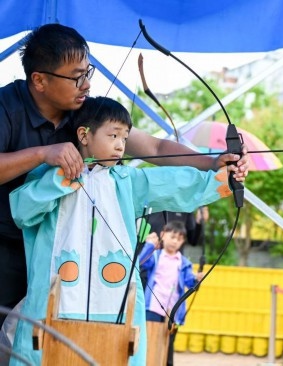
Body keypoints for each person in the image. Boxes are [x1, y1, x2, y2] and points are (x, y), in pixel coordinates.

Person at [0, 23, 248, 329]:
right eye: (76, 77)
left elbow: (155, 147)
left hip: (63, 256)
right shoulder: (5, 107)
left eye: (87, 73)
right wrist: (42, 154)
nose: (86, 85)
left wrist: (212, 163)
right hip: (6, 246)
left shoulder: (84, 112)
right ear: (39, 80)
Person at [6, 96, 239, 365]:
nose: (120, 145)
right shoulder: (51, 175)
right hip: (53, 305)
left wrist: (222, 177)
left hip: (114, 307)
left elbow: (174, 184)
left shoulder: (127, 181)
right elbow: (22, 210)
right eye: (113, 135)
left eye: (124, 138)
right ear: (84, 135)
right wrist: (60, 180)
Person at [139, 220, 202, 366]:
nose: (175, 242)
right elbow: (140, 262)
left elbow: (190, 283)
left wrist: (197, 279)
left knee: (168, 344)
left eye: (179, 239)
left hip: (173, 311)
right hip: (153, 307)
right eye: (172, 237)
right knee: (149, 341)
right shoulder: (155, 256)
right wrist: (149, 246)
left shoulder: (184, 262)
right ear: (163, 235)